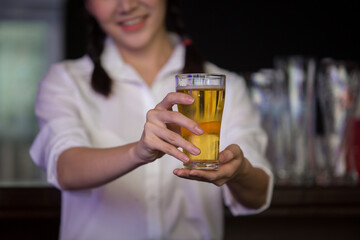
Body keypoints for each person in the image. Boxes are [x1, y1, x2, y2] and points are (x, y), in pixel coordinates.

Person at [30, 0, 274, 239]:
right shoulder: (66, 81)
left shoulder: (225, 86)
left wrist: (240, 171)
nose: (126, 6)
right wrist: (137, 152)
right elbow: (65, 168)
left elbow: (259, 195)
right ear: (87, 5)